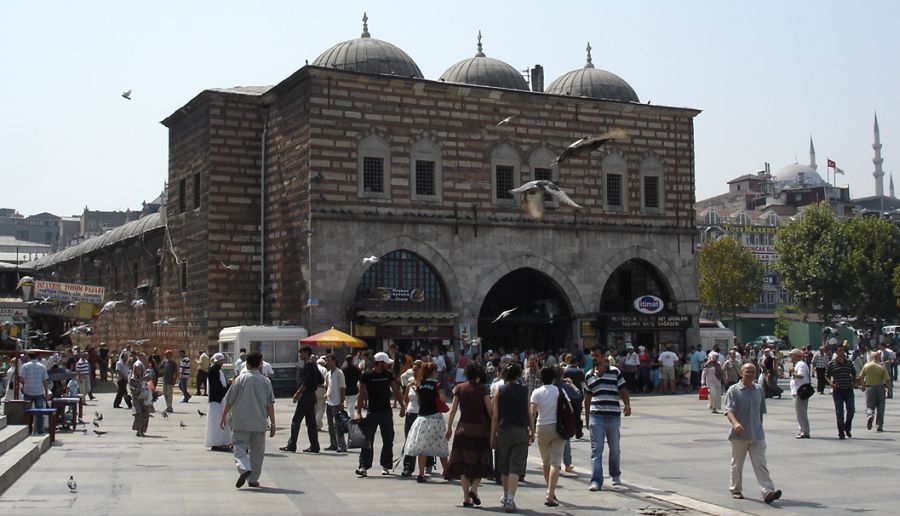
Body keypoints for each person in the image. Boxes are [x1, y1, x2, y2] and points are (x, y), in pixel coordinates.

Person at [723, 363, 782, 504]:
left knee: (760, 463)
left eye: (753, 371)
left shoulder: (759, 389)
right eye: (747, 371)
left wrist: (759, 427)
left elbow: (760, 412)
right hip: (739, 436)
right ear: (741, 373)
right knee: (737, 464)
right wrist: (735, 423)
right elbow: (729, 411)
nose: (750, 374)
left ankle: (768, 491)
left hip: (757, 435)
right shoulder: (734, 390)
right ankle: (736, 489)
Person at [221, 351, 276, 489]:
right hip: (259, 421)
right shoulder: (266, 381)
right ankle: (253, 479)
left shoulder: (240, 379)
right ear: (260, 364)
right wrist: (273, 423)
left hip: (241, 421)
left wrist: (224, 416)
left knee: (239, 447)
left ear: (246, 363)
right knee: (257, 452)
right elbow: (270, 404)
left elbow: (230, 400)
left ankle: (244, 467)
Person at [583, 345, 631, 492]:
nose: (594, 358)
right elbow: (587, 399)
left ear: (604, 356)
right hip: (596, 416)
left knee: (614, 447)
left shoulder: (615, 372)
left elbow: (623, 390)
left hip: (613, 415)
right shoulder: (589, 375)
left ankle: (615, 474)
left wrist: (627, 405)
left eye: (596, 355)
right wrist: (587, 418)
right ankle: (596, 480)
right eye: (592, 356)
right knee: (596, 449)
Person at [444, 362, 492, 507]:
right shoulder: (483, 389)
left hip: (463, 428)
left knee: (462, 462)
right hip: (480, 428)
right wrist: (495, 425)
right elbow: (490, 410)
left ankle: (466, 497)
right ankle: (474, 489)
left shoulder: (459, 388)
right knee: (481, 460)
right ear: (478, 375)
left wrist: (449, 428)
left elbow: (452, 409)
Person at [355, 351, 405, 477]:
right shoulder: (366, 375)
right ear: (380, 363)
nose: (388, 365)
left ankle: (386, 465)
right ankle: (363, 466)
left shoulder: (388, 375)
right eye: (386, 363)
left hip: (386, 412)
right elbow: (361, 394)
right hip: (372, 412)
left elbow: (395, 391)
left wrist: (403, 406)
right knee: (367, 440)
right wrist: (359, 412)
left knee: (388, 440)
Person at [491, 363, 531, 513]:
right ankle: (510, 499)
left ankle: (506, 494)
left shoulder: (498, 390)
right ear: (519, 375)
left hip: (503, 430)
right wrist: (532, 430)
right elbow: (528, 412)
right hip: (520, 430)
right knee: (516, 466)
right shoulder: (524, 390)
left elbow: (495, 416)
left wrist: (492, 435)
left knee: (504, 465)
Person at [403, 362, 449, 483]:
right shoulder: (437, 385)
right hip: (435, 418)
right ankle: (447, 471)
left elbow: (419, 402)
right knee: (441, 445)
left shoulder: (420, 385)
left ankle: (421, 473)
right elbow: (443, 399)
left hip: (422, 418)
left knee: (422, 447)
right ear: (433, 372)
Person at [530, 366, 568, 507]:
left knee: (546, 461)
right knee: (556, 463)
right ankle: (550, 494)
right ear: (554, 378)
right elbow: (568, 407)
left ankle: (549, 489)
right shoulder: (559, 390)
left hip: (542, 428)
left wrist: (531, 429)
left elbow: (532, 412)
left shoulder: (536, 392)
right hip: (558, 428)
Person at [281, 346, 321, 453]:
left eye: (301, 353)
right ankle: (315, 446)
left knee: (296, 421)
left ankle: (292, 445)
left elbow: (306, 381)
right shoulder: (314, 365)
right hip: (312, 395)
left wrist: (298, 393)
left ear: (307, 353)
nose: (300, 355)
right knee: (311, 422)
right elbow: (320, 379)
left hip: (306, 396)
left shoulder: (308, 365)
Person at [826, 347, 857, 439]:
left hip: (848, 389)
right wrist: (831, 384)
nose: (841, 352)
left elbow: (854, 373)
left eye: (842, 350)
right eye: (839, 350)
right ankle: (841, 432)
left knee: (851, 410)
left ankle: (847, 427)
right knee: (839, 412)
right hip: (838, 390)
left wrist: (854, 383)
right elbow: (826, 375)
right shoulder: (831, 363)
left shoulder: (849, 362)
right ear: (836, 352)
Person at [19, 352, 51, 435]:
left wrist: (26, 383)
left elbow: (21, 378)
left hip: (28, 391)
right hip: (39, 392)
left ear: (29, 357)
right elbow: (45, 381)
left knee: (27, 412)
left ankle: (28, 431)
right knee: (39, 412)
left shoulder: (25, 366)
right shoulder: (42, 367)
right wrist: (47, 393)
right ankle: (39, 431)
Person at [206, 353, 233, 451]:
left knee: (223, 422)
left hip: (221, 399)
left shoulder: (218, 371)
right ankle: (216, 443)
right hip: (216, 400)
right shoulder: (213, 369)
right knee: (216, 422)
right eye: (221, 361)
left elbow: (222, 385)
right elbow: (217, 386)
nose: (222, 363)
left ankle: (224, 442)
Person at [859, 350, 890, 432]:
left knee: (870, 406)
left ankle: (870, 415)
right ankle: (879, 425)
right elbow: (887, 379)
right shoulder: (882, 366)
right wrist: (888, 389)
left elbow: (861, 377)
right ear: (879, 357)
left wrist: (863, 386)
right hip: (880, 388)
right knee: (881, 407)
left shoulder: (867, 365)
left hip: (870, 388)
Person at [323, 354, 347, 452]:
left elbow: (342, 388)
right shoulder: (328, 373)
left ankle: (342, 445)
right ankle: (333, 444)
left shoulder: (339, 373)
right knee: (330, 425)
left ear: (333, 361)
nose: (327, 363)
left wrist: (342, 402)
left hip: (337, 402)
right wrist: (327, 393)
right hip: (329, 401)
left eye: (328, 361)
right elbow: (326, 385)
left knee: (338, 425)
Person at [788, 349, 812, 439]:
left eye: (792, 355)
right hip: (797, 391)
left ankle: (805, 431)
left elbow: (801, 376)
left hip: (800, 391)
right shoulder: (798, 364)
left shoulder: (800, 364)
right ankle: (802, 430)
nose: (790, 357)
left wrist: (792, 372)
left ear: (798, 356)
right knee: (800, 412)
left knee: (801, 413)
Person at [129, 361, 154, 437]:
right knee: (138, 413)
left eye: (139, 370)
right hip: (136, 399)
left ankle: (142, 430)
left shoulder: (144, 377)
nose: (138, 371)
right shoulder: (132, 379)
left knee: (145, 414)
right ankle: (138, 430)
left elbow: (150, 380)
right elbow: (131, 388)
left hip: (144, 398)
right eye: (136, 370)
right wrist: (138, 390)